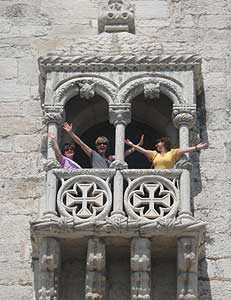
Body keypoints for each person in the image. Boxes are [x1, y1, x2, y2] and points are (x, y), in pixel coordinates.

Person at [63, 122, 143, 168]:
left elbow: (125, 154)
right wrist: (71, 133)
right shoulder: (93, 154)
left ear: (107, 146)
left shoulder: (110, 158)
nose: (102, 145)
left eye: (104, 144)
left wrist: (136, 146)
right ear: (96, 146)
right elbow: (81, 143)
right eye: (99, 144)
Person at [125, 136, 208, 169]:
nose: (156, 145)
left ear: (164, 143)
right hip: (156, 180)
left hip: (169, 179)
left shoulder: (173, 152)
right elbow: (143, 151)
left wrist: (197, 147)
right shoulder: (154, 154)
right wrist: (132, 144)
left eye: (158, 143)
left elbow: (186, 149)